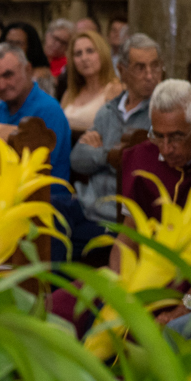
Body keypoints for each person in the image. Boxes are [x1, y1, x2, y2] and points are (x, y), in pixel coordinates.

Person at [67, 34, 163, 245]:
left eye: (155, 66)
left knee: (67, 243)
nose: (150, 75)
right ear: (122, 71)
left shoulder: (160, 114)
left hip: (117, 216)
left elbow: (137, 166)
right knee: (48, 212)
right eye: (140, 68)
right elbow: (77, 158)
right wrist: (109, 156)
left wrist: (105, 155)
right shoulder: (109, 110)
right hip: (85, 204)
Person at [120, 80, 191, 223]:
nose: (166, 149)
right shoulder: (141, 158)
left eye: (176, 137)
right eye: (159, 136)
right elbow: (131, 229)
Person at [0, 42, 71, 188]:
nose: (1, 85)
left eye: (8, 75)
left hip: (47, 199)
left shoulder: (48, 110)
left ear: (28, 70)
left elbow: (42, 172)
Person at [59, 30, 122, 132]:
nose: (84, 58)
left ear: (103, 53)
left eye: (90, 51)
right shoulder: (70, 93)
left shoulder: (115, 89)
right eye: (78, 54)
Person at [4, 20, 55, 96]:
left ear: (30, 47)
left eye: (18, 44)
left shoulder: (41, 78)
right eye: (10, 43)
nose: (13, 48)